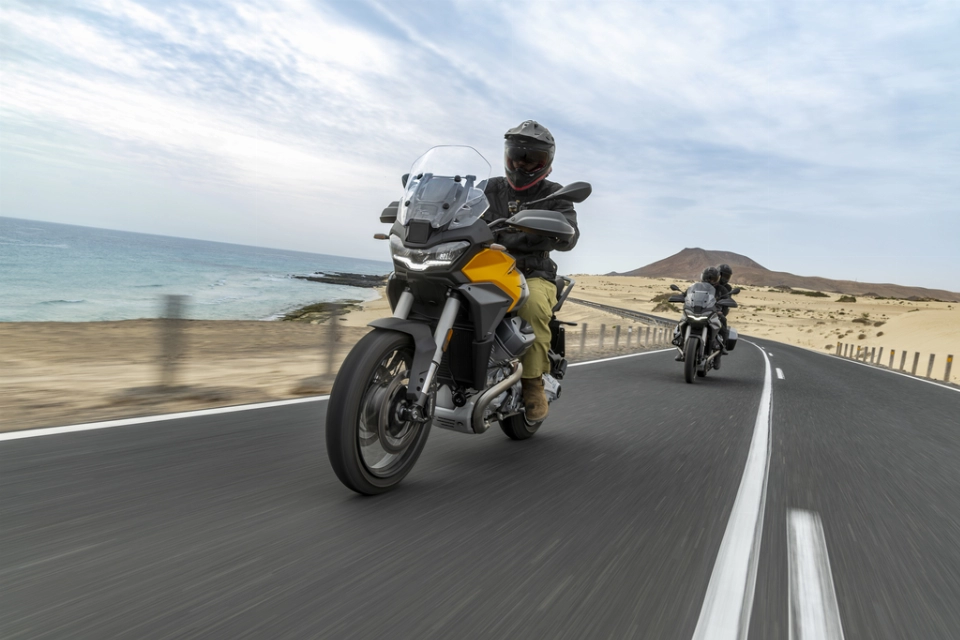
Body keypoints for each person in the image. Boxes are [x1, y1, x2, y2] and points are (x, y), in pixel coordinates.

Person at [482, 120, 580, 421]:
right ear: (507, 155)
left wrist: (557, 231)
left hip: (532, 272)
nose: (521, 165)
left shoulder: (555, 194)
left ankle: (533, 383)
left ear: (546, 164)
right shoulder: (488, 188)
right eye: (516, 156)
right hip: (485, 268)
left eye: (532, 159)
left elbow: (570, 234)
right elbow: (458, 210)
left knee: (533, 306)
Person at [676, 267, 722, 360]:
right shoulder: (695, 286)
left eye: (713, 279)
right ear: (703, 277)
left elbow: (726, 299)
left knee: (721, 322)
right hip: (697, 310)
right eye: (709, 278)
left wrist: (722, 307)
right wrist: (680, 298)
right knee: (682, 320)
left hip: (712, 311)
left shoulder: (720, 289)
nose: (710, 280)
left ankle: (717, 349)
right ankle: (680, 342)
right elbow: (686, 295)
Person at [715, 264, 734, 354]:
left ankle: (723, 345)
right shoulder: (710, 283)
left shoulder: (728, 288)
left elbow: (728, 298)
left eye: (728, 276)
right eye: (724, 276)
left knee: (723, 321)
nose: (725, 278)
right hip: (705, 308)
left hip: (719, 310)